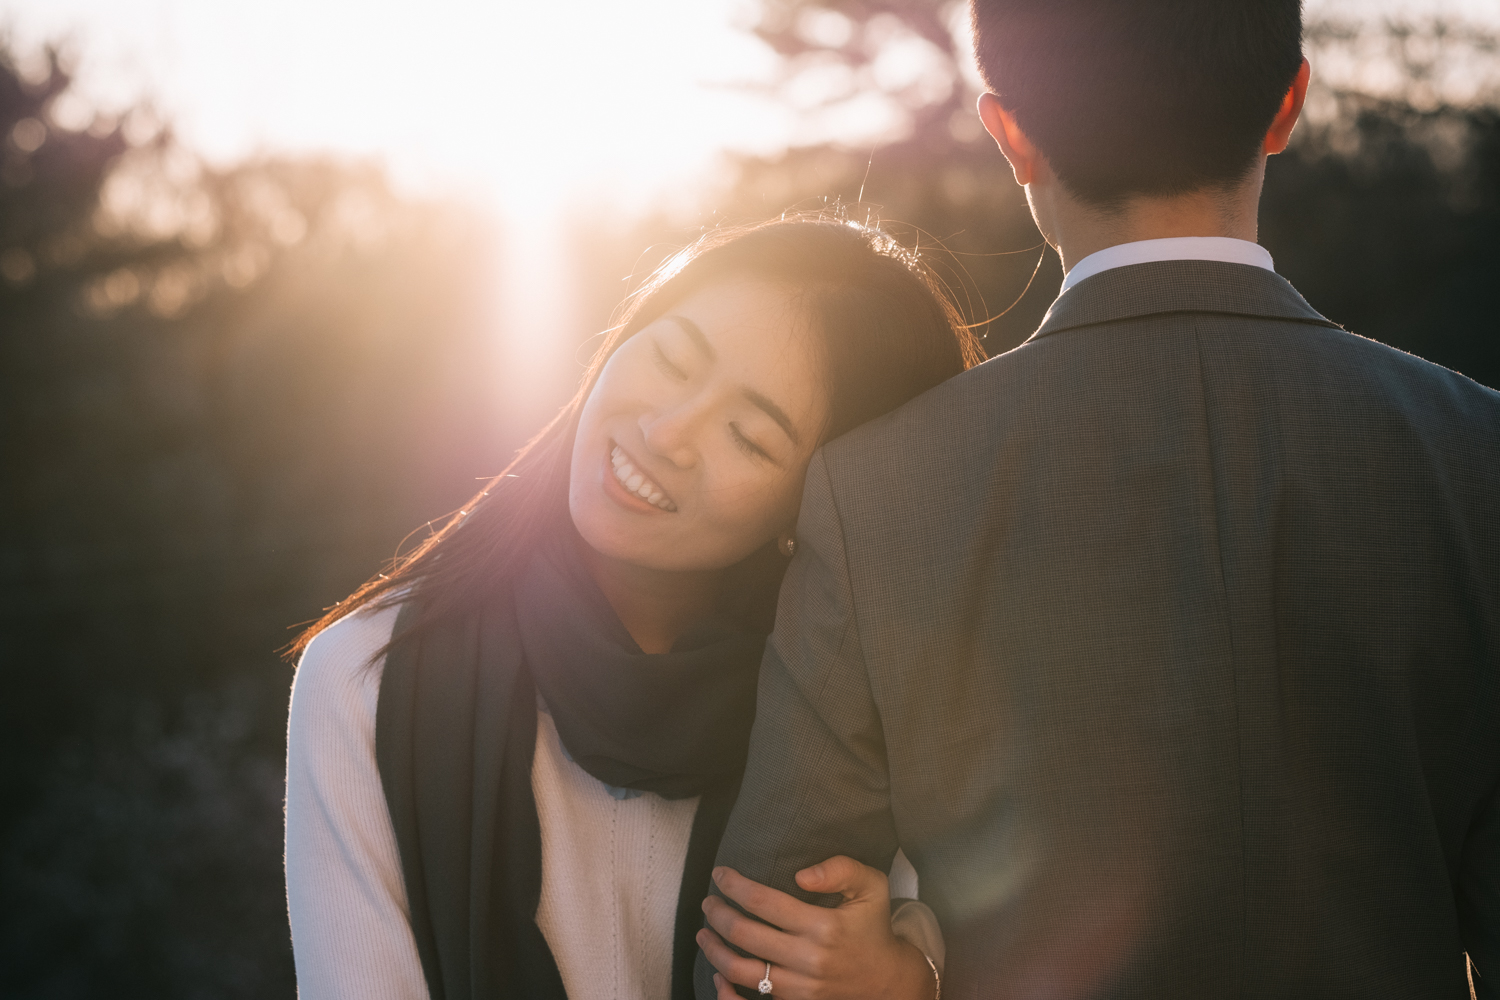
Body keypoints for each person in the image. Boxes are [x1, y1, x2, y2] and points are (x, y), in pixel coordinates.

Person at [697, 2, 1500, 998]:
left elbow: (765, 949)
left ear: (1011, 135)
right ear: (1289, 104)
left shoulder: (878, 490)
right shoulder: (1475, 451)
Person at [283, 216, 985, 1000]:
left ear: (813, 509)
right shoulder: (368, 675)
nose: (666, 432)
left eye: (749, 437)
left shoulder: (864, 708)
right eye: (672, 357)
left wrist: (910, 978)